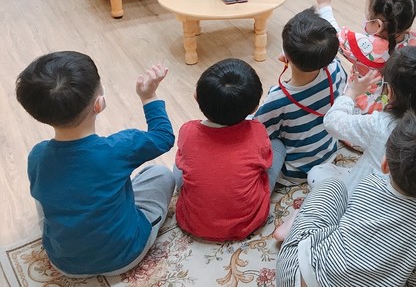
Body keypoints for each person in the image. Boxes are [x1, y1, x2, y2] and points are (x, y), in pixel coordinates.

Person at [15, 52, 175, 277]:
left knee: (46, 191)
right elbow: (163, 136)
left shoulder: (38, 155)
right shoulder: (120, 147)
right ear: (99, 104)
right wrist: (149, 96)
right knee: (160, 173)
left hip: (64, 263)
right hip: (125, 257)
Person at [276, 113, 416, 287]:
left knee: (333, 186)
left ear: (385, 165)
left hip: (292, 276)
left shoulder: (370, 183)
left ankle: (294, 226)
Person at [307, 46, 416, 195]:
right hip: (405, 201)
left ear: (390, 91)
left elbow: (332, 121)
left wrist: (351, 92)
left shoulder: (379, 124)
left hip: (362, 195)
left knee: (317, 172)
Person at [174, 58, 281, 242]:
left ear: (196, 97)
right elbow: (266, 163)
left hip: (194, 223)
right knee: (278, 146)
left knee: (180, 163)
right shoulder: (257, 131)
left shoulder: (188, 130)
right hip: (249, 222)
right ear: (255, 108)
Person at [315, 0, 416, 114]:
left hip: (367, 107)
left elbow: (333, 35)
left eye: (368, 16)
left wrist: (324, 5)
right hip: (400, 104)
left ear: (378, 25)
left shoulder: (366, 46)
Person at [254, 7, 347, 185]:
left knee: (270, 140)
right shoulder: (335, 68)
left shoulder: (278, 98)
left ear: (286, 56)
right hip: (329, 152)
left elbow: (257, 133)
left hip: (295, 171)